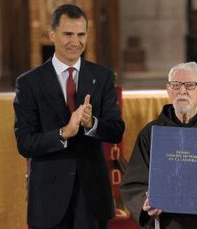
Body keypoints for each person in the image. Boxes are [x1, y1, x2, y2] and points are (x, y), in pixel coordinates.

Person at [13, 4, 125, 229]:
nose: (76, 41)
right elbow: (25, 143)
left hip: (92, 197)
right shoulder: (29, 83)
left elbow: (116, 130)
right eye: (68, 34)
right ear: (52, 35)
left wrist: (91, 124)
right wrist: (64, 132)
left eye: (81, 34)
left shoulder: (102, 77)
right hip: (48, 198)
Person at [120, 62, 197, 229]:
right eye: (176, 85)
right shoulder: (151, 133)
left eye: (190, 85)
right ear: (168, 90)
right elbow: (133, 183)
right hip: (165, 222)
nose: (182, 91)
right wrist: (143, 202)